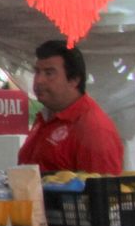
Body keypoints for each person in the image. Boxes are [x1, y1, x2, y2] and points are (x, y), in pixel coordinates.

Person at [18, 40, 123, 175]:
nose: (39, 80)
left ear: (74, 80)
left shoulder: (93, 128)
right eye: (37, 72)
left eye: (49, 73)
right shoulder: (46, 116)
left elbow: (103, 186)